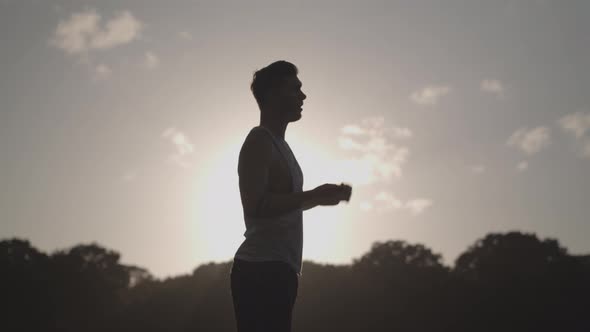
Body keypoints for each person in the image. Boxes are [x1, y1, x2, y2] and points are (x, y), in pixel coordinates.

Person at [230, 60, 352, 332]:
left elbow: (282, 204)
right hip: (260, 269)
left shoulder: (281, 146)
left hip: (281, 269)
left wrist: (319, 198)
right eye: (295, 89)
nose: (303, 96)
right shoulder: (259, 140)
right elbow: (257, 205)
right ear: (273, 94)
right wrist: (314, 195)